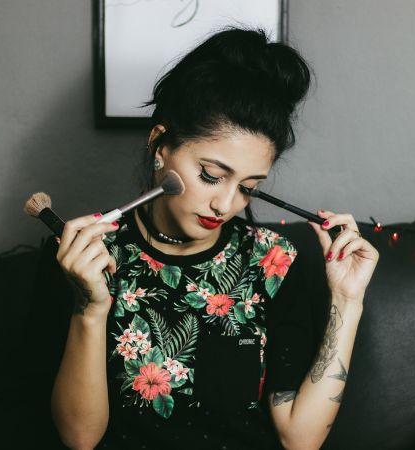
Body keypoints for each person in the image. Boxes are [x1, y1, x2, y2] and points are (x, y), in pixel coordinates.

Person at [47, 26, 379, 450]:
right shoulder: (85, 258)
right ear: (160, 145)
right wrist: (90, 309)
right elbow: (80, 438)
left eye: (248, 187)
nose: (225, 204)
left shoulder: (274, 262)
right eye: (210, 175)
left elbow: (301, 439)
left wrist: (348, 300)